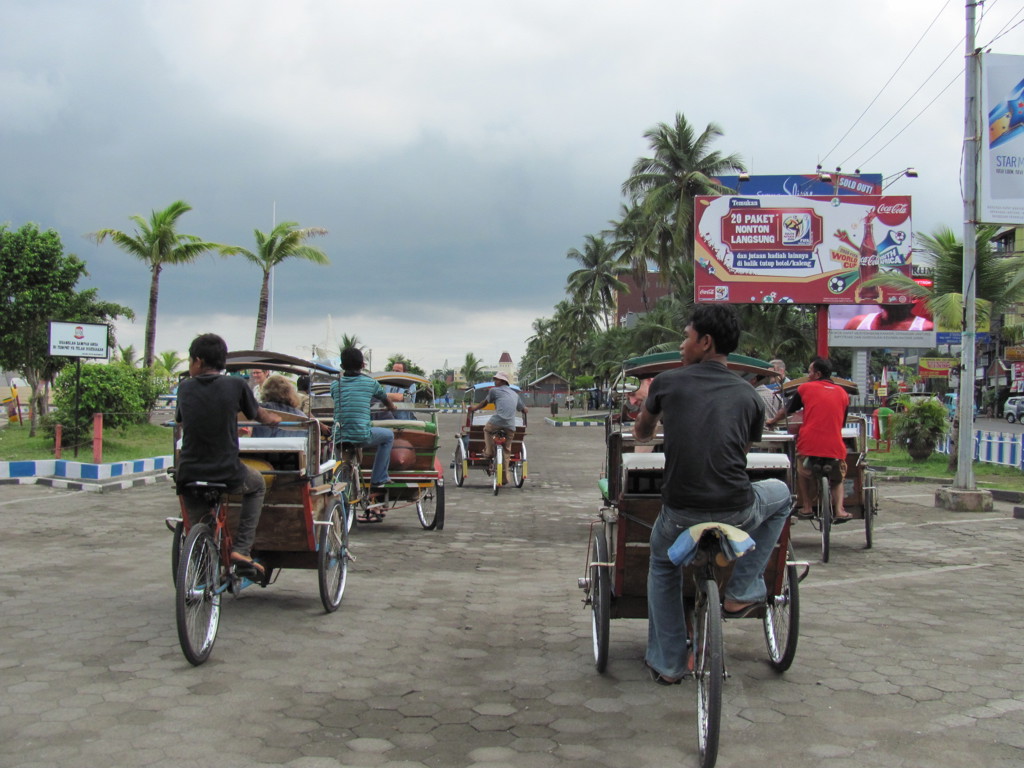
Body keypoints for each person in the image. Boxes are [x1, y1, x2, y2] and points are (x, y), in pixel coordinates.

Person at [633, 304, 792, 685]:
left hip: (680, 512)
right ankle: (742, 588)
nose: (681, 345)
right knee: (782, 493)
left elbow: (642, 432)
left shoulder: (667, 383)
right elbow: (741, 449)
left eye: (686, 337)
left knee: (663, 564)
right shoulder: (750, 396)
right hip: (737, 508)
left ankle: (669, 664)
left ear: (705, 342)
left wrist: (651, 425)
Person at [175, 333, 282, 578]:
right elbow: (259, 415)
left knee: (199, 524)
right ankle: (242, 550)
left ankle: (201, 575)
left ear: (198, 361)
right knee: (257, 485)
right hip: (226, 470)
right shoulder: (236, 386)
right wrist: (274, 419)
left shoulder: (185, 387)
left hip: (188, 472)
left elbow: (180, 419)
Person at [767, 357, 852, 521]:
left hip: (809, 444)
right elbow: (842, 422)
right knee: (837, 479)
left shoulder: (805, 388)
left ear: (817, 374)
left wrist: (772, 421)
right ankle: (839, 510)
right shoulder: (843, 393)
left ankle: (806, 507)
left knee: (802, 472)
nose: (808, 375)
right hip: (834, 446)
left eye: (810, 372)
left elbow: (787, 410)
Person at [331, 347, 397, 498]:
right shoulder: (371, 383)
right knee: (388, 436)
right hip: (361, 435)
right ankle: (379, 477)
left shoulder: (335, 385)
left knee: (342, 474)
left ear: (342, 366)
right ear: (363, 365)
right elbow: (385, 399)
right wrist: (392, 407)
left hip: (339, 436)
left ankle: (342, 500)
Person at [467, 372, 527, 485]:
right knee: (507, 451)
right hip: (510, 426)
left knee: (487, 429)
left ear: (503, 381)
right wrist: (525, 409)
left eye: (497, 380)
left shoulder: (494, 391)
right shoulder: (515, 394)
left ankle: (489, 452)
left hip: (497, 421)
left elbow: (484, 403)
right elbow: (523, 409)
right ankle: (504, 479)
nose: (495, 382)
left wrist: (474, 408)